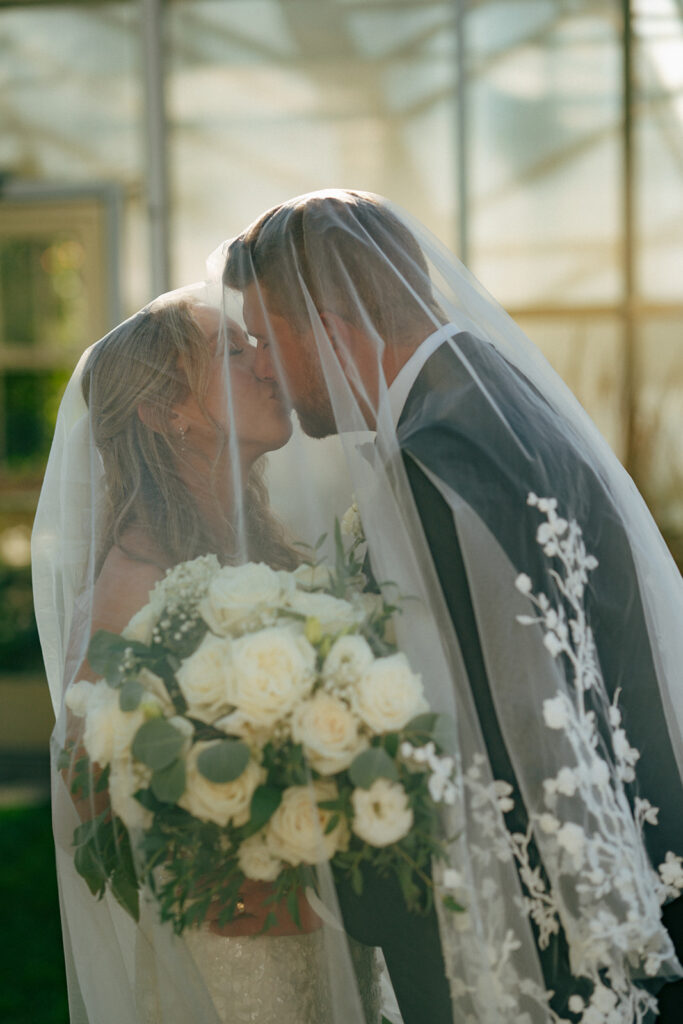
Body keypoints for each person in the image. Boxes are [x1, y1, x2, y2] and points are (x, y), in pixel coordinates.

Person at [221, 189, 683, 1023]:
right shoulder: (488, 397)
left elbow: (467, 751)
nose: (263, 368)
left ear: (329, 327)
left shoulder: (441, 462)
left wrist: (330, 890)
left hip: (543, 947)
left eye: (266, 337)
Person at [32, 286, 382, 1024]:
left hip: (328, 928)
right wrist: (234, 879)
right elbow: (85, 785)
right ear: (170, 414)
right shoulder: (138, 576)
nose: (267, 363)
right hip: (239, 962)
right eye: (232, 349)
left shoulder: (268, 547)